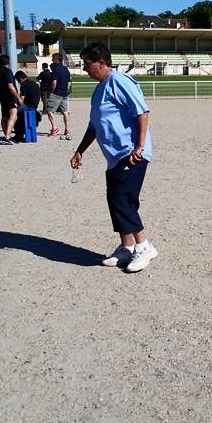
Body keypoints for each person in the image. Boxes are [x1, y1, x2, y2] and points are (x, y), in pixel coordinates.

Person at [70, 42, 157, 273]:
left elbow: (142, 112)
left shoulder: (118, 81)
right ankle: (126, 247)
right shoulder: (99, 90)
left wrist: (139, 146)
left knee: (122, 199)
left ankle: (144, 246)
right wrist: (80, 151)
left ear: (101, 62)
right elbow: (94, 126)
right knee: (115, 200)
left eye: (87, 64)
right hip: (114, 156)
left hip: (131, 152)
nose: (84, 69)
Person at [0, 54, 23, 145]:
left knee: (5, 116)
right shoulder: (7, 71)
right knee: (14, 115)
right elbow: (10, 86)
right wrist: (18, 98)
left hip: (2, 97)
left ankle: (5, 135)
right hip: (9, 97)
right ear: (8, 62)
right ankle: (7, 136)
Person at [47, 52, 72, 138]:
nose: (52, 60)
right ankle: (67, 129)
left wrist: (51, 92)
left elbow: (54, 82)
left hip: (57, 93)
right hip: (65, 93)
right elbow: (69, 83)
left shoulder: (55, 69)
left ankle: (55, 128)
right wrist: (66, 91)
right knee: (65, 112)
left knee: (49, 111)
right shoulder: (66, 69)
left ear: (56, 59)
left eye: (53, 58)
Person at [13, 70, 42, 141]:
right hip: (34, 106)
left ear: (20, 78)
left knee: (13, 112)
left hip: (28, 106)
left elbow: (21, 100)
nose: (18, 82)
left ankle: (18, 135)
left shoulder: (24, 84)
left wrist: (16, 104)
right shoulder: (34, 83)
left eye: (18, 80)